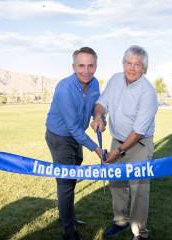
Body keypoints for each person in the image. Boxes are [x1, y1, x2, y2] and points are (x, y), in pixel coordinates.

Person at [91, 45, 158, 240]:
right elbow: (102, 103)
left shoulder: (148, 92)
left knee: (139, 189)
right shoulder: (115, 80)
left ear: (144, 68)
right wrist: (98, 117)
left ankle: (140, 232)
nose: (132, 68)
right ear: (123, 63)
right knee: (117, 183)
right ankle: (120, 221)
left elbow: (138, 132)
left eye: (137, 64)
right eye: (129, 63)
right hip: (117, 140)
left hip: (139, 145)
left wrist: (118, 151)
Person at [45, 47, 103, 240]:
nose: (86, 70)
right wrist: (96, 149)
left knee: (72, 178)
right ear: (73, 66)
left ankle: (68, 217)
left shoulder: (94, 83)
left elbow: (97, 105)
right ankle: (68, 232)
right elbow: (73, 128)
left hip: (76, 137)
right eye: (81, 66)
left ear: (95, 66)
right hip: (59, 137)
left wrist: (98, 117)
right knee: (66, 182)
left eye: (90, 65)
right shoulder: (64, 89)